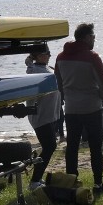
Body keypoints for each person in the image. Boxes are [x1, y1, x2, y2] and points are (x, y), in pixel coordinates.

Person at [54, 23, 103, 194]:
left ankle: (72, 180)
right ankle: (98, 183)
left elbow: (58, 82)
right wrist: (102, 95)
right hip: (92, 107)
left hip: (71, 108)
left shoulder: (60, 57)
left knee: (72, 146)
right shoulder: (92, 57)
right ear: (86, 37)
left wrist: (65, 96)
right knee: (95, 147)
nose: (94, 39)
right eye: (93, 36)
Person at [23, 45, 61, 190]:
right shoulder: (35, 71)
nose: (49, 55)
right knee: (50, 146)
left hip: (50, 116)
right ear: (38, 56)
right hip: (41, 116)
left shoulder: (46, 69)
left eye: (50, 53)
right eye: (46, 53)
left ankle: (37, 179)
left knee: (49, 146)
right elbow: (30, 69)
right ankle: (34, 181)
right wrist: (30, 61)